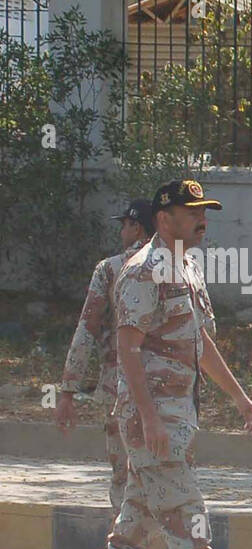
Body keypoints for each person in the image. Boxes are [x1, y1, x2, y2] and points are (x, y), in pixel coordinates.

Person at [94, 179, 252, 549]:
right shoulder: (142, 271)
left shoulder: (187, 267)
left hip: (176, 418)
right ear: (163, 216)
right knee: (190, 519)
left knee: (134, 526)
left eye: (205, 210)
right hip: (153, 422)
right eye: (192, 210)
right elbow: (127, 350)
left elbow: (200, 344)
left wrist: (240, 398)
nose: (202, 219)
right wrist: (149, 419)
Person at [56, 199, 151, 524]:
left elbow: (87, 328)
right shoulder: (179, 266)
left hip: (120, 386)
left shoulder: (110, 269)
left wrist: (68, 389)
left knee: (123, 475)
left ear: (136, 226)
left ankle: (123, 548)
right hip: (167, 387)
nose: (121, 231)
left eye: (124, 224)